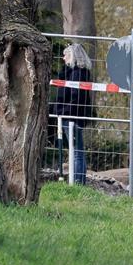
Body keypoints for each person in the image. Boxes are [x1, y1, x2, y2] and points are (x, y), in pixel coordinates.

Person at [51, 43, 94, 184]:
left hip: (71, 118)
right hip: (74, 117)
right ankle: (79, 181)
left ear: (73, 56)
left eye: (66, 55)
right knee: (78, 151)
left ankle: (77, 182)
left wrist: (63, 112)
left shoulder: (76, 74)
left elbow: (76, 96)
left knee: (76, 152)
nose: (63, 58)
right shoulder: (80, 73)